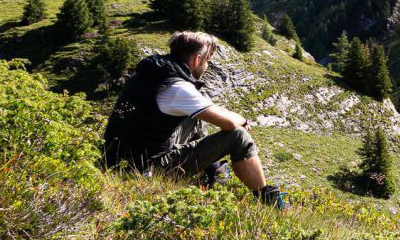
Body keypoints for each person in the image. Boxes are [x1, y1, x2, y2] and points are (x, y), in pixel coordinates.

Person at [103, 31, 286, 208]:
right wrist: (242, 119)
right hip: (146, 171)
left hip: (120, 160)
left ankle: (213, 172)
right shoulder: (178, 88)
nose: (207, 66)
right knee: (238, 136)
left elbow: (205, 107)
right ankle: (267, 199)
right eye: (207, 60)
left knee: (194, 117)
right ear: (197, 58)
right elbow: (229, 123)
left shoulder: (153, 75)